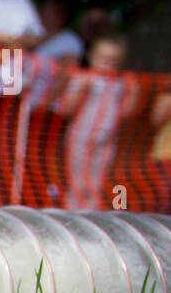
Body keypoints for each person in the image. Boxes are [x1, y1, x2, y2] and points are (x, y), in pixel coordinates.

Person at [57, 34, 140, 210]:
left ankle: (93, 215)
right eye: (103, 59)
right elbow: (66, 107)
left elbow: (127, 112)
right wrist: (81, 90)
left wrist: (133, 93)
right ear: (93, 57)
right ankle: (74, 213)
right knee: (78, 180)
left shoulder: (121, 82)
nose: (106, 65)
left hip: (107, 137)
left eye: (112, 61)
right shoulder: (83, 78)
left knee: (97, 180)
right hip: (82, 135)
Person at [35, 0, 85, 66]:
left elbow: (68, 70)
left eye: (47, 12)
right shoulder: (35, 36)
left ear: (61, 17)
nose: (40, 15)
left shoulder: (70, 40)